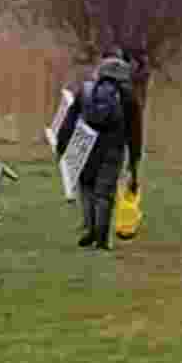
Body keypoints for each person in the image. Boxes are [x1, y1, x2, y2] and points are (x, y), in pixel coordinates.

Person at [54, 51, 147, 250]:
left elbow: (69, 122)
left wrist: (62, 147)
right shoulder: (128, 97)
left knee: (87, 189)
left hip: (85, 147)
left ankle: (90, 228)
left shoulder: (85, 90)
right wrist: (134, 161)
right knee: (104, 194)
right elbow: (135, 133)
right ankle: (102, 238)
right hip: (112, 151)